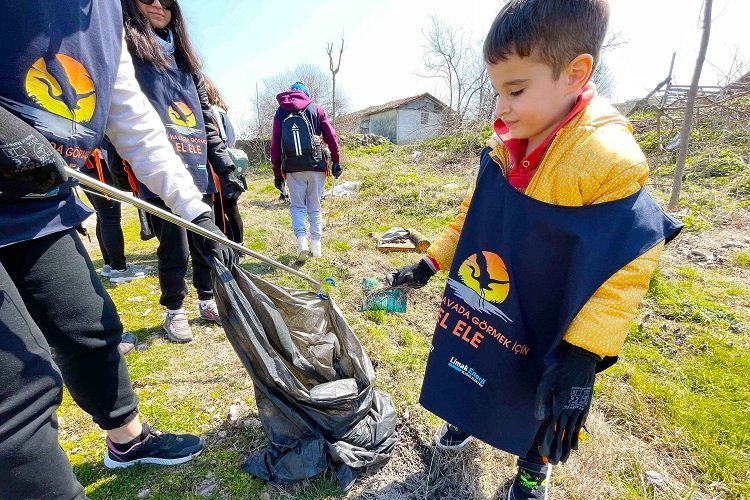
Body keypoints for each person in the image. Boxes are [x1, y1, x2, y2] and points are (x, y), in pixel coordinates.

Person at [388, 1, 681, 499]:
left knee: (542, 393)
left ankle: (534, 463)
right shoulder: (505, 143)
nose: (500, 108)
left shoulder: (609, 160)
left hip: (555, 305)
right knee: (474, 354)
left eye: (516, 90)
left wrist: (584, 354)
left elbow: (625, 266)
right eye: (497, 90)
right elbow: (474, 215)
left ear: (575, 73)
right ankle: (467, 416)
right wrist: (430, 261)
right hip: (496, 284)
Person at [0, 1, 235, 498]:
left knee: (89, 323)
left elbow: (135, 122)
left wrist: (196, 212)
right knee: (20, 387)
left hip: (35, 199)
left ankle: (126, 441)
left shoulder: (108, 15)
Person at [122, 0, 245, 343]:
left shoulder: (187, 63)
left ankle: (207, 300)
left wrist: (223, 162)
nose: (158, 5)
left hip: (196, 168)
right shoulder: (128, 57)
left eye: (167, 0)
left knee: (206, 241)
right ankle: (174, 310)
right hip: (159, 171)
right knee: (174, 248)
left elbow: (206, 120)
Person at [270, 82, 342, 261]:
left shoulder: (280, 112)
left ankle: (302, 243)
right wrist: (336, 160)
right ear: (307, 94)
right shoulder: (316, 109)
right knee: (315, 207)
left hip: (292, 168)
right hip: (316, 165)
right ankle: (316, 248)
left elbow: (275, 146)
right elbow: (331, 137)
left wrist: (277, 174)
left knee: (297, 207)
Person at [81, 142, 149, 284]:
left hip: (86, 163)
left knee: (103, 215)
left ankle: (109, 264)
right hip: (97, 163)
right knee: (110, 217)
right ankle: (119, 269)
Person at [204, 74, 246, 244]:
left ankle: (232, 245)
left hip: (219, 168)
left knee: (223, 210)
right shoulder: (222, 112)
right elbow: (232, 138)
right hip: (229, 165)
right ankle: (238, 244)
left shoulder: (210, 112)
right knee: (232, 209)